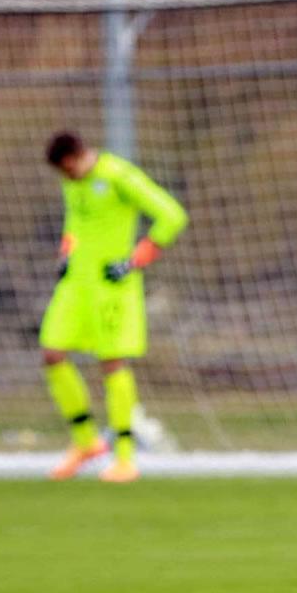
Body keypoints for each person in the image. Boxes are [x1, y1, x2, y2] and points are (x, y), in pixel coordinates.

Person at [39, 131, 187, 483]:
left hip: (111, 286)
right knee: (52, 353)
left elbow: (172, 215)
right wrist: (66, 252)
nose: (66, 177)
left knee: (112, 362)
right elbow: (75, 223)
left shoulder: (117, 175)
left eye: (67, 169)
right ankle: (87, 442)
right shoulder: (72, 183)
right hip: (76, 285)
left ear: (76, 157)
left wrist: (137, 259)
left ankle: (124, 457)